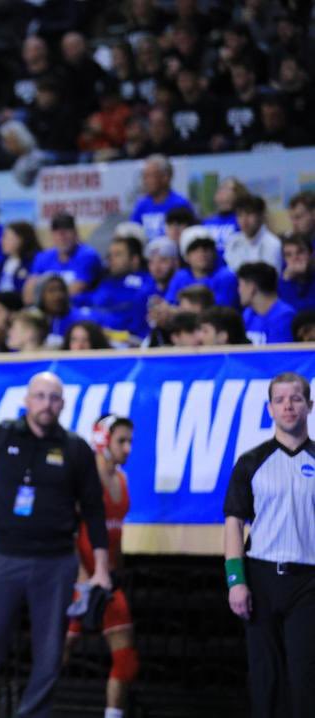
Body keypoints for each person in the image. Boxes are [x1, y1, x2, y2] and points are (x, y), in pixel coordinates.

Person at [0, 372, 110, 718]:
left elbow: (94, 511)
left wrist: (102, 570)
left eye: (54, 398)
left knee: (49, 655)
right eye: (40, 396)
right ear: (27, 400)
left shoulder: (76, 448)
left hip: (57, 563)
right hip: (2, 559)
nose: (46, 404)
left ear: (62, 404)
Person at [224, 372, 315, 718]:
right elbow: (234, 522)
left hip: (308, 583)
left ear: (309, 405)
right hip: (260, 578)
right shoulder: (251, 462)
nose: (288, 405)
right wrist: (236, 581)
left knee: (305, 679)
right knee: (265, 679)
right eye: (280, 400)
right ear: (269, 409)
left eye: (295, 398)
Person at [66, 416, 139, 718]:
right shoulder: (86, 478)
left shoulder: (121, 479)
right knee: (56, 656)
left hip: (107, 581)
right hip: (79, 581)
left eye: (130, 441)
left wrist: (116, 571)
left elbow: (116, 532)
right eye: (122, 440)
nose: (128, 448)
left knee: (126, 657)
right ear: (102, 439)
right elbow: (69, 528)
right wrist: (80, 574)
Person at [129, 154, 195, 240]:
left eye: (149, 176)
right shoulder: (141, 205)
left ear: (165, 177)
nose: (145, 181)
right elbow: (133, 235)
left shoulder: (180, 204)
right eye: (144, 176)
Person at [237, 262, 296, 345]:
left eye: (240, 285)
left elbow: (279, 355)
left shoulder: (284, 317)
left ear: (251, 287)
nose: (239, 290)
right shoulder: (248, 314)